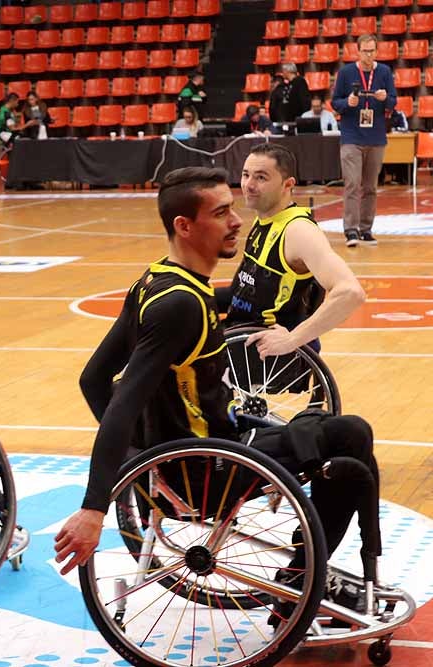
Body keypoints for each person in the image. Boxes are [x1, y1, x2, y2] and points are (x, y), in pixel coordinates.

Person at [54, 168, 379, 612]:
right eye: (221, 212)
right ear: (184, 226)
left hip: (199, 452)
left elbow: (93, 380)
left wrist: (145, 461)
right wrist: (98, 504)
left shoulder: (158, 281)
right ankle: (300, 584)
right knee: (353, 436)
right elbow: (120, 405)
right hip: (209, 470)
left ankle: (303, 577)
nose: (236, 221)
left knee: (334, 430)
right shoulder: (180, 307)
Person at [221, 143, 365, 356]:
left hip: (261, 348)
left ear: (287, 185)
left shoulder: (298, 230)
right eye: (245, 175)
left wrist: (291, 339)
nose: (248, 185)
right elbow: (242, 293)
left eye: (261, 177)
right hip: (238, 329)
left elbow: (351, 293)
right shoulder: (264, 219)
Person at [332, 33, 396, 247]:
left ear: (376, 51)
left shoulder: (385, 72)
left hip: (376, 137)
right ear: (358, 51)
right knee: (352, 183)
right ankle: (350, 230)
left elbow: (393, 101)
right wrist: (347, 103)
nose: (369, 54)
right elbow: (334, 102)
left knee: (370, 187)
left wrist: (385, 98)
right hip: (351, 136)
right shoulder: (346, 72)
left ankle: (365, 229)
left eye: (372, 50)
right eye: (365, 50)